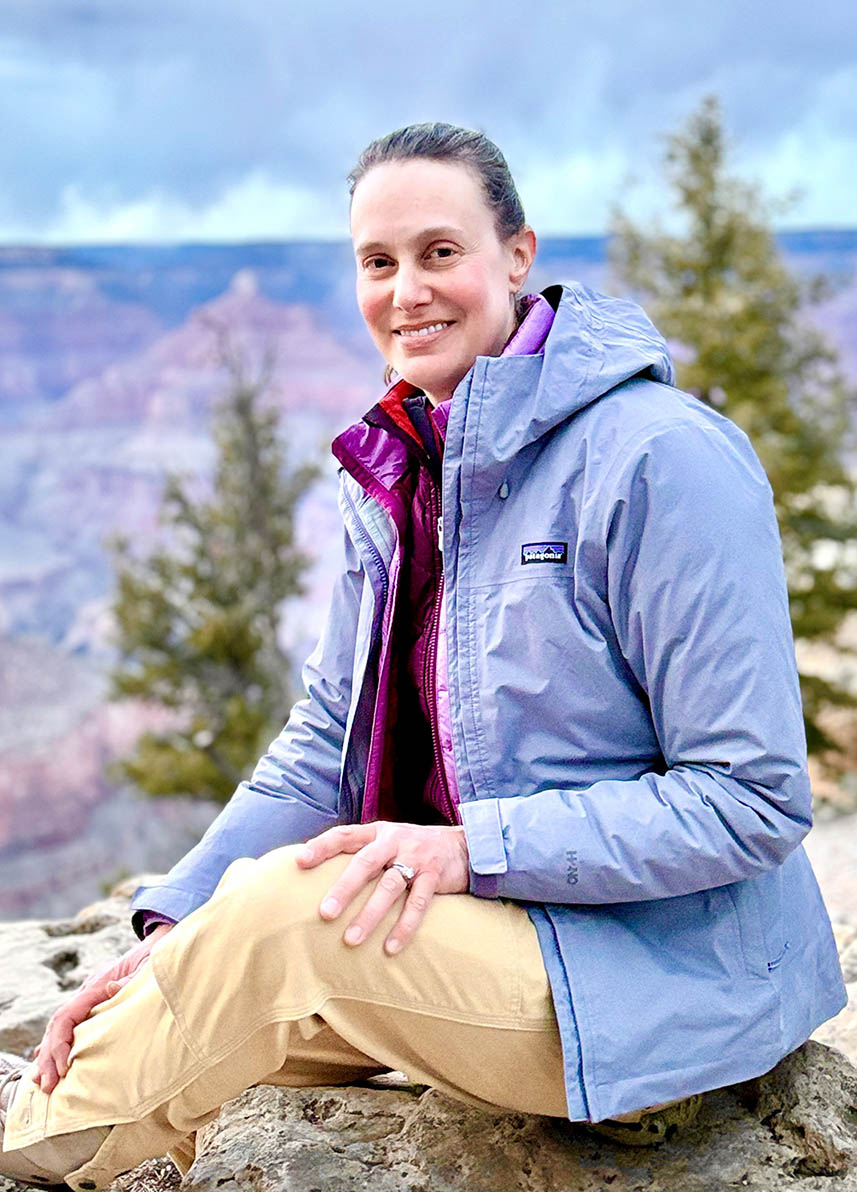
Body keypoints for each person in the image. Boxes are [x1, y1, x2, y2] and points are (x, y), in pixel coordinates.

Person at [0, 123, 846, 1188]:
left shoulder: (657, 459)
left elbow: (750, 798)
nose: (407, 292)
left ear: (517, 255)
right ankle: (62, 1138)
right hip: (487, 942)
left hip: (657, 989)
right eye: (377, 262)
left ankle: (18, 1156)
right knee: (196, 977)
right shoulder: (407, 461)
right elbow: (321, 746)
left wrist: (464, 848)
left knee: (280, 922)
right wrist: (169, 924)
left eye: (439, 252)